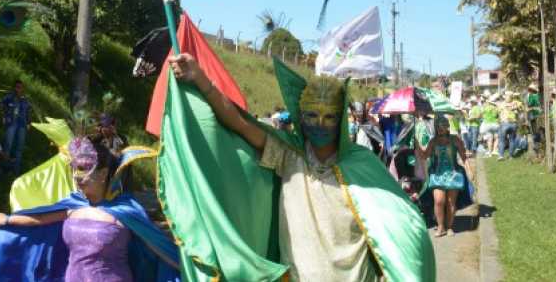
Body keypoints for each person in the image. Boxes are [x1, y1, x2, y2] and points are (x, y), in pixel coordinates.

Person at [168, 53, 434, 281]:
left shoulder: (360, 162)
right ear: (300, 118)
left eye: (329, 116)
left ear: (340, 119)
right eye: (311, 115)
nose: (320, 124)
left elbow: (398, 223)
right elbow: (239, 123)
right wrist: (200, 80)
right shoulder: (288, 155)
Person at [0, 135, 179, 281]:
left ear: (104, 173)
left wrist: (189, 267)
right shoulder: (72, 205)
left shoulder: (126, 210)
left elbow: (159, 246)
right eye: (74, 169)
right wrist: (6, 220)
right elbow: (38, 220)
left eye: (84, 169)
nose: (77, 175)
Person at [419, 116, 469, 237]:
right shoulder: (433, 141)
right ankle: (441, 226)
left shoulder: (455, 139)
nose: (440, 128)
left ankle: (450, 226)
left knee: (451, 202)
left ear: (447, 127)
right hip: (437, 175)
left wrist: (469, 170)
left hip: (453, 175)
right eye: (438, 126)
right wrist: (418, 144)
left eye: (443, 125)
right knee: (439, 201)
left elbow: (464, 156)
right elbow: (425, 156)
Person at [0, 80, 32, 173]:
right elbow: (2, 104)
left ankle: (16, 170)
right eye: (17, 86)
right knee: (8, 144)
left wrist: (29, 123)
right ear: (14, 87)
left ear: (23, 89)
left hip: (22, 125)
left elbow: (29, 111)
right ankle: (4, 167)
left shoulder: (25, 99)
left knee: (19, 147)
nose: (18, 89)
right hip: (11, 123)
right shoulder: (9, 97)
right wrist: (4, 116)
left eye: (20, 87)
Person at [497, 93, 520, 160]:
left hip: (505, 123)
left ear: (506, 97)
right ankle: (511, 156)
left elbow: (498, 113)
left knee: (502, 140)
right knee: (512, 140)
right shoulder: (515, 104)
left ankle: (501, 155)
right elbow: (518, 112)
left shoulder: (501, 104)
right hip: (513, 124)